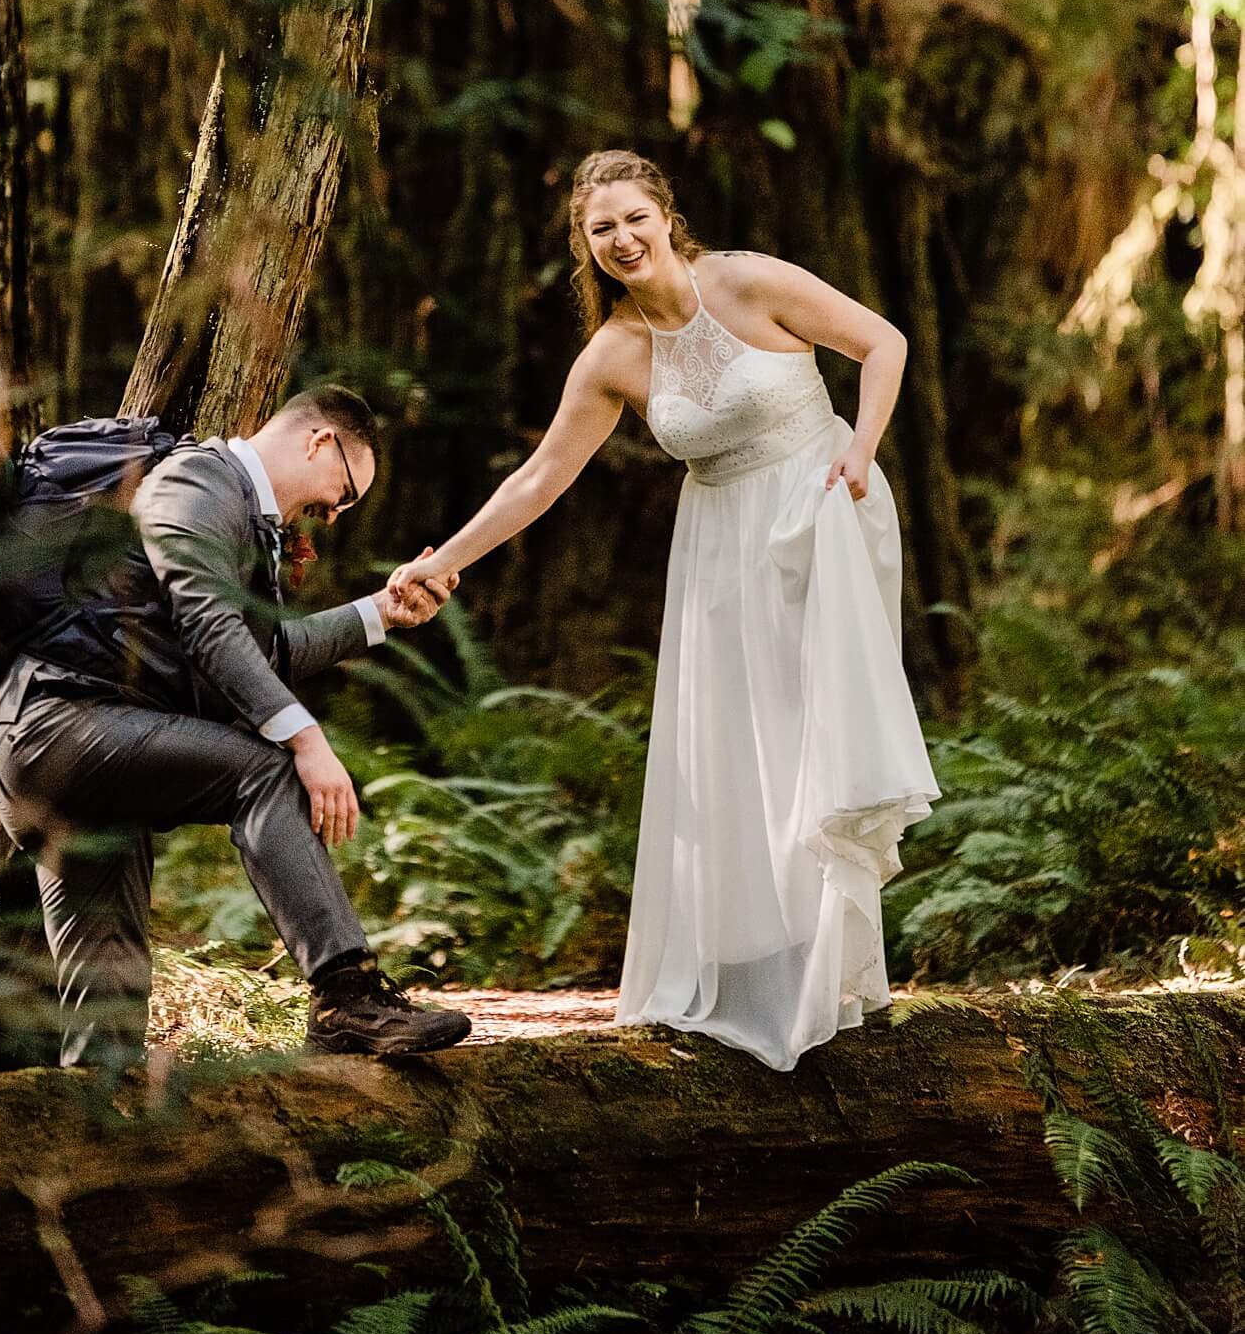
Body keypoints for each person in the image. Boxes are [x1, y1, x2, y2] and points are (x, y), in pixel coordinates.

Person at [389, 151, 940, 1071]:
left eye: (635, 217)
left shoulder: (751, 280)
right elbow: (539, 477)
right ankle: (756, 976)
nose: (623, 239)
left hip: (816, 516)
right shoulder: (613, 353)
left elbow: (884, 341)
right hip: (721, 551)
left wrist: (864, 451)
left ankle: (831, 974)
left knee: (816, 743)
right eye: (602, 228)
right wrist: (444, 562)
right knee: (738, 754)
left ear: (665, 215)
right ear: (586, 243)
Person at [0, 385, 473, 1066]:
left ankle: (86, 1143)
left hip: (73, 758)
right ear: (319, 440)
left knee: (110, 1021)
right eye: (346, 491)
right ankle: (347, 996)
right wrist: (306, 738)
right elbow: (208, 624)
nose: (334, 514)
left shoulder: (228, 509)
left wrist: (381, 614)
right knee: (267, 768)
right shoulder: (196, 478)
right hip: (62, 730)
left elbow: (250, 657)